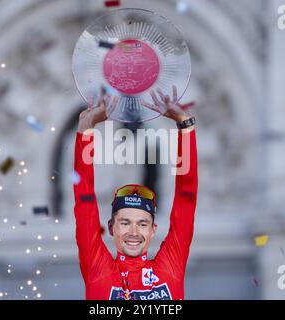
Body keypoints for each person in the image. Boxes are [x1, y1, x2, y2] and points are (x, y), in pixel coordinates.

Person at [73, 87, 197, 300]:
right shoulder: (98, 270)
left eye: (142, 224)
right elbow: (84, 199)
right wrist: (86, 129)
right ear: (111, 227)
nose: (133, 232)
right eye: (124, 222)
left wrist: (185, 125)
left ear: (153, 230)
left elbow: (186, 196)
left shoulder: (170, 267)